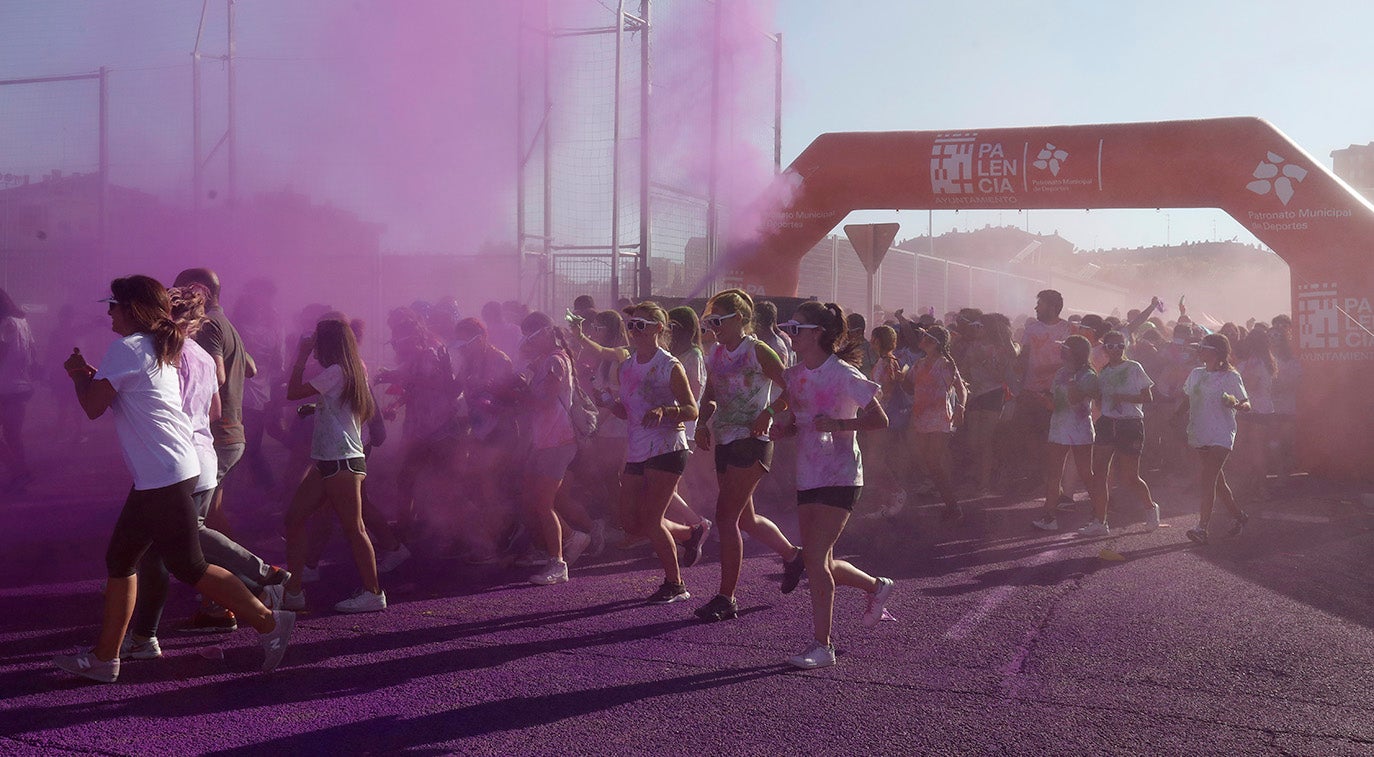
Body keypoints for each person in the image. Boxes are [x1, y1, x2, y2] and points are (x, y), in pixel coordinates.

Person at [53, 275, 292, 682]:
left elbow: (94, 406)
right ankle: (107, 657)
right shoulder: (155, 344)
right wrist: (95, 377)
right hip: (168, 470)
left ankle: (269, 621)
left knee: (188, 565)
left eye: (114, 305)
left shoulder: (128, 347)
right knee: (124, 559)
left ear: (132, 309)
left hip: (163, 472)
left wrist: (78, 374)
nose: (108, 312)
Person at [774, 301, 893, 670]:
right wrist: (783, 429)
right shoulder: (794, 376)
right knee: (817, 559)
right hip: (808, 473)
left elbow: (880, 419)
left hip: (841, 474)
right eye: (789, 328)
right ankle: (876, 586)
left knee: (813, 556)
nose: (791, 334)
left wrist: (841, 427)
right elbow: (796, 421)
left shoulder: (843, 374)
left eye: (797, 328)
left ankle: (823, 646)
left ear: (817, 334)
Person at [690, 289, 803, 622]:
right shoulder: (715, 353)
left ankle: (726, 598)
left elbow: (791, 389)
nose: (712, 328)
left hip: (753, 440)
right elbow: (710, 393)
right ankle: (793, 555)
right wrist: (701, 420)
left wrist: (769, 411)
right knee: (744, 519)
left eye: (718, 321)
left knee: (725, 517)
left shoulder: (758, 350)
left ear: (738, 319)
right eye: (709, 322)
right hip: (725, 438)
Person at [279, 314, 386, 613]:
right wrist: (316, 407)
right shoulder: (349, 369)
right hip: (331, 459)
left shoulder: (337, 371)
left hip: (341, 460)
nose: (313, 347)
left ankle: (373, 593)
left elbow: (292, 391)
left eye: (316, 341)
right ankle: (294, 590)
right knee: (294, 519)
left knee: (354, 528)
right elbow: (346, 407)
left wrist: (299, 357)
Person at [614, 302, 702, 603]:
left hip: (667, 447)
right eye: (632, 326)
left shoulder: (669, 365)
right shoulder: (625, 366)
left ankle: (675, 584)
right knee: (630, 522)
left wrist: (666, 410)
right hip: (638, 447)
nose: (635, 331)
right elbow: (628, 411)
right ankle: (689, 534)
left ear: (659, 329)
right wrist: (609, 404)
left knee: (651, 520)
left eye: (642, 325)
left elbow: (692, 410)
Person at [171, 269, 255, 583]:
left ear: (199, 290)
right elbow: (252, 368)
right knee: (212, 518)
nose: (175, 297)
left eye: (180, 289)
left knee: (194, 525)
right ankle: (235, 588)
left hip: (218, 433)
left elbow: (216, 375)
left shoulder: (206, 325)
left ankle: (249, 583)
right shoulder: (226, 323)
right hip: (229, 432)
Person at [517, 311, 581, 585]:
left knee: (543, 504)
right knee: (533, 499)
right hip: (544, 440)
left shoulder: (555, 360)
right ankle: (573, 538)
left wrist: (518, 394)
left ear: (544, 332)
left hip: (558, 440)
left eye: (531, 337)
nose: (528, 343)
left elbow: (545, 401)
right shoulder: (545, 360)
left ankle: (558, 563)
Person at [1080, 330, 1159, 536]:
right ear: (1104, 348)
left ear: (1125, 347)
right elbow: (1100, 398)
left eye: (1120, 346)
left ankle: (1151, 508)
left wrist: (1122, 397)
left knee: (1130, 477)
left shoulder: (1134, 367)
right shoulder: (1103, 371)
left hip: (1130, 424)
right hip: (1107, 422)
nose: (1116, 350)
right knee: (1100, 473)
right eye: (1111, 346)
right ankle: (1100, 521)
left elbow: (1147, 397)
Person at [1184, 333, 1251, 545]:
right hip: (1200, 431)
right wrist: (1176, 418)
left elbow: (1246, 404)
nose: (1199, 351)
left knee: (1208, 478)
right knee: (1217, 482)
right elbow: (1188, 398)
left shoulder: (1230, 376)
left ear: (1215, 352)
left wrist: (1237, 405)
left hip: (1222, 432)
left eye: (1203, 348)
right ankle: (1239, 517)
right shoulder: (1196, 373)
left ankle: (1202, 527)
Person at [1032, 335, 1097, 531]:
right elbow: (1055, 404)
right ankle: (1049, 516)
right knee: (1054, 473)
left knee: (1086, 473)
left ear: (1076, 352)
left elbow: (1077, 399)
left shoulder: (1089, 376)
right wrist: (1045, 400)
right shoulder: (1060, 372)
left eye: (1066, 349)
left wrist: (1071, 379)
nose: (1061, 352)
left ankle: (1099, 514)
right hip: (1059, 428)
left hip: (1080, 430)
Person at [904, 324, 967, 521]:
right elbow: (909, 386)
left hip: (940, 418)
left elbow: (961, 388)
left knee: (934, 461)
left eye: (926, 338)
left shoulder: (945, 364)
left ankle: (953, 505)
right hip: (921, 417)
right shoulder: (919, 363)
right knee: (929, 461)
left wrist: (960, 408)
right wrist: (900, 377)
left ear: (934, 343)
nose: (921, 340)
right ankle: (948, 500)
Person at [0, 287, 35, 489]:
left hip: (4, 387)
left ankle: (17, 471)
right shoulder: (22, 323)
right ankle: (22, 473)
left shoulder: (5, 324)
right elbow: (31, 352)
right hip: (20, 386)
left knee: (10, 437)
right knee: (13, 436)